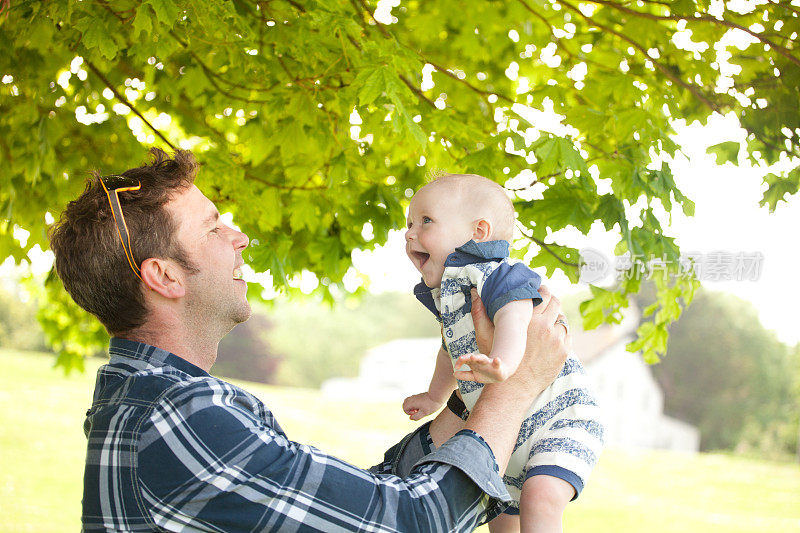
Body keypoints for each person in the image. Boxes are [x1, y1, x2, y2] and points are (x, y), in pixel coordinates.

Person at [49, 149, 572, 532]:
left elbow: (355, 509)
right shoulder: (181, 416)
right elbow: (412, 522)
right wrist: (514, 390)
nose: (240, 238)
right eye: (213, 229)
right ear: (164, 277)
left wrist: (462, 399)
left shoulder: (146, 398)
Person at [401, 174, 603, 533]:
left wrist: (505, 363)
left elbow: (516, 313)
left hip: (556, 416)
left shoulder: (494, 273)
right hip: (505, 426)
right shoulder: (449, 295)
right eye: (409, 223)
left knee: (539, 499)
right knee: (499, 511)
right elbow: (449, 351)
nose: (410, 233)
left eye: (426, 221)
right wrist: (435, 396)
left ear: (478, 232)